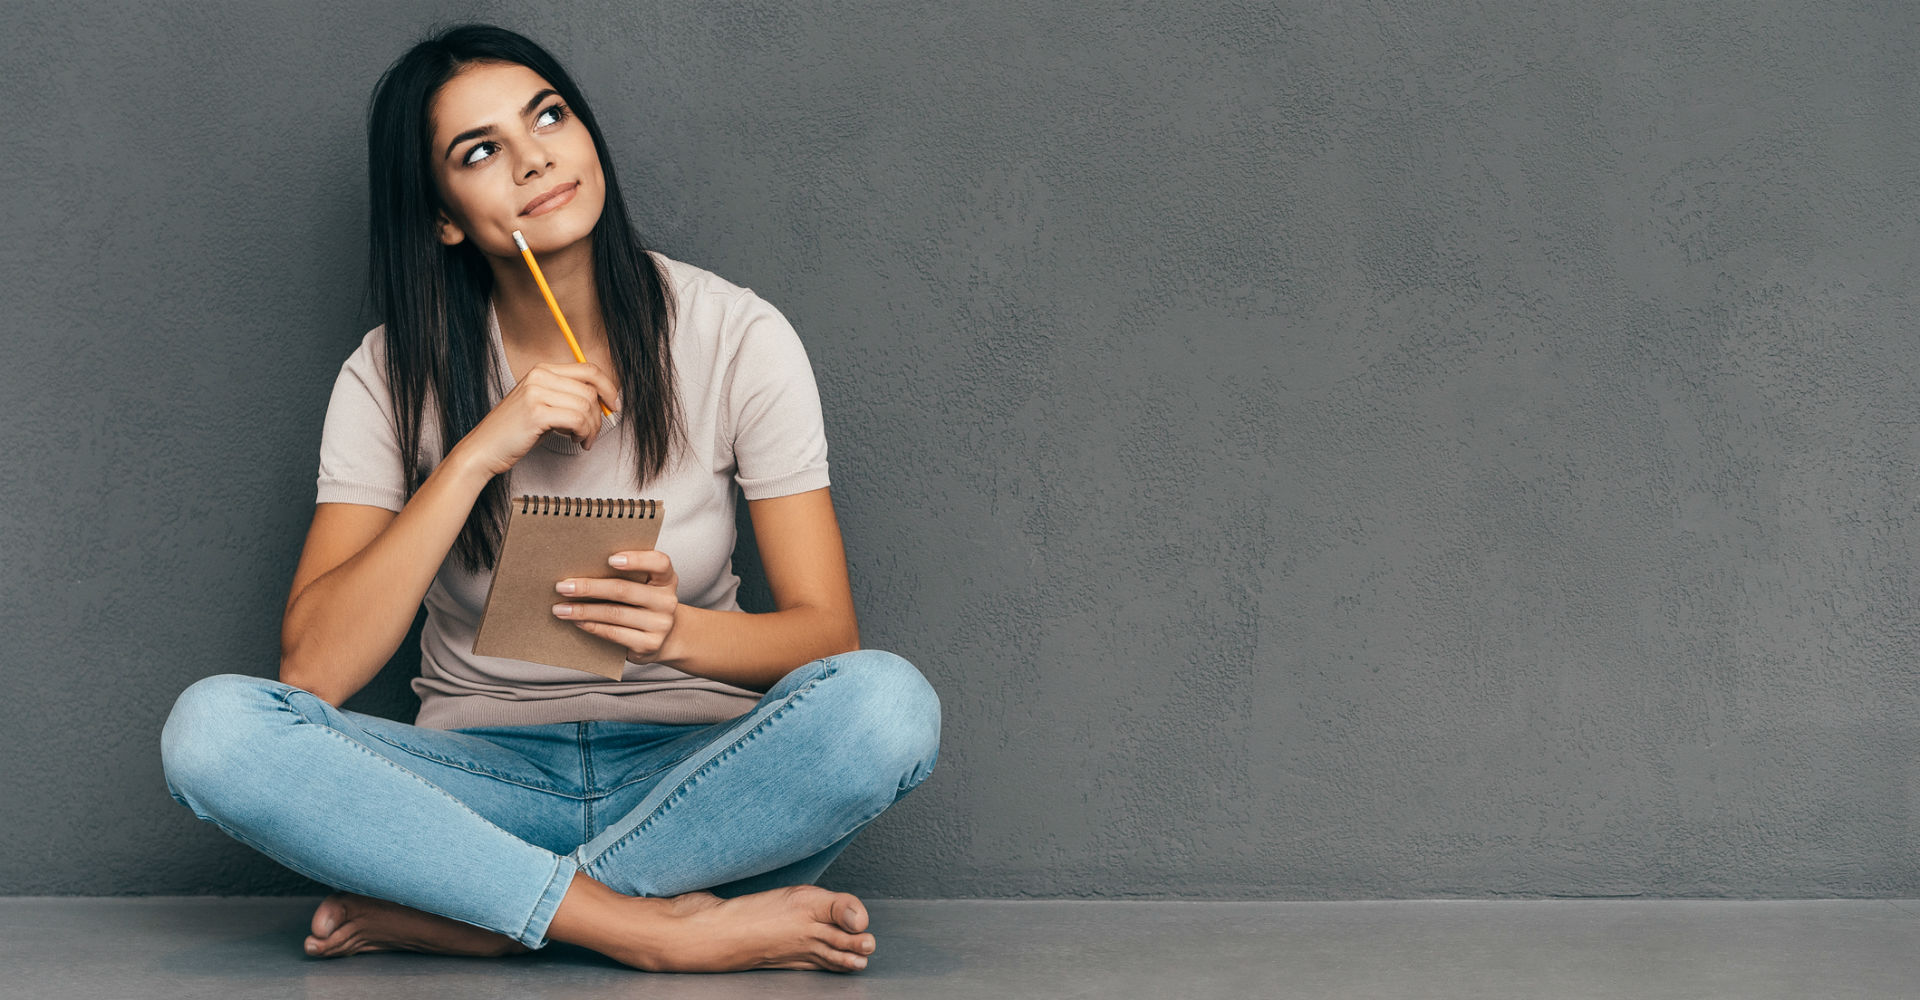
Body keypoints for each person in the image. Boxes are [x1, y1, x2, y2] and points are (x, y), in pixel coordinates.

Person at [158, 23, 940, 975]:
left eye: (549, 116)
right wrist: (477, 455)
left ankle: (479, 916)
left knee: (889, 706)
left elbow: (828, 641)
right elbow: (313, 670)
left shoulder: (737, 334)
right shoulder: (385, 374)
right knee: (212, 731)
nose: (534, 158)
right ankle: (646, 929)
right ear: (444, 215)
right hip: (479, 779)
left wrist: (675, 634)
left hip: (698, 777)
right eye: (481, 151)